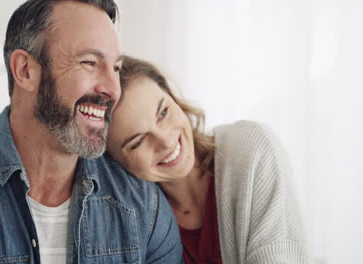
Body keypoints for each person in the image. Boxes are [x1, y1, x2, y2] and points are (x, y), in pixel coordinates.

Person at [0, 1, 182, 263]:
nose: (112, 89)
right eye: (89, 62)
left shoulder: (143, 203)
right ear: (26, 70)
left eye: (116, 68)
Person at [106, 56, 310, 264]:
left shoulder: (250, 149)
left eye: (163, 112)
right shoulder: (131, 220)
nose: (166, 141)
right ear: (114, 160)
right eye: (138, 142)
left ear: (173, 98)